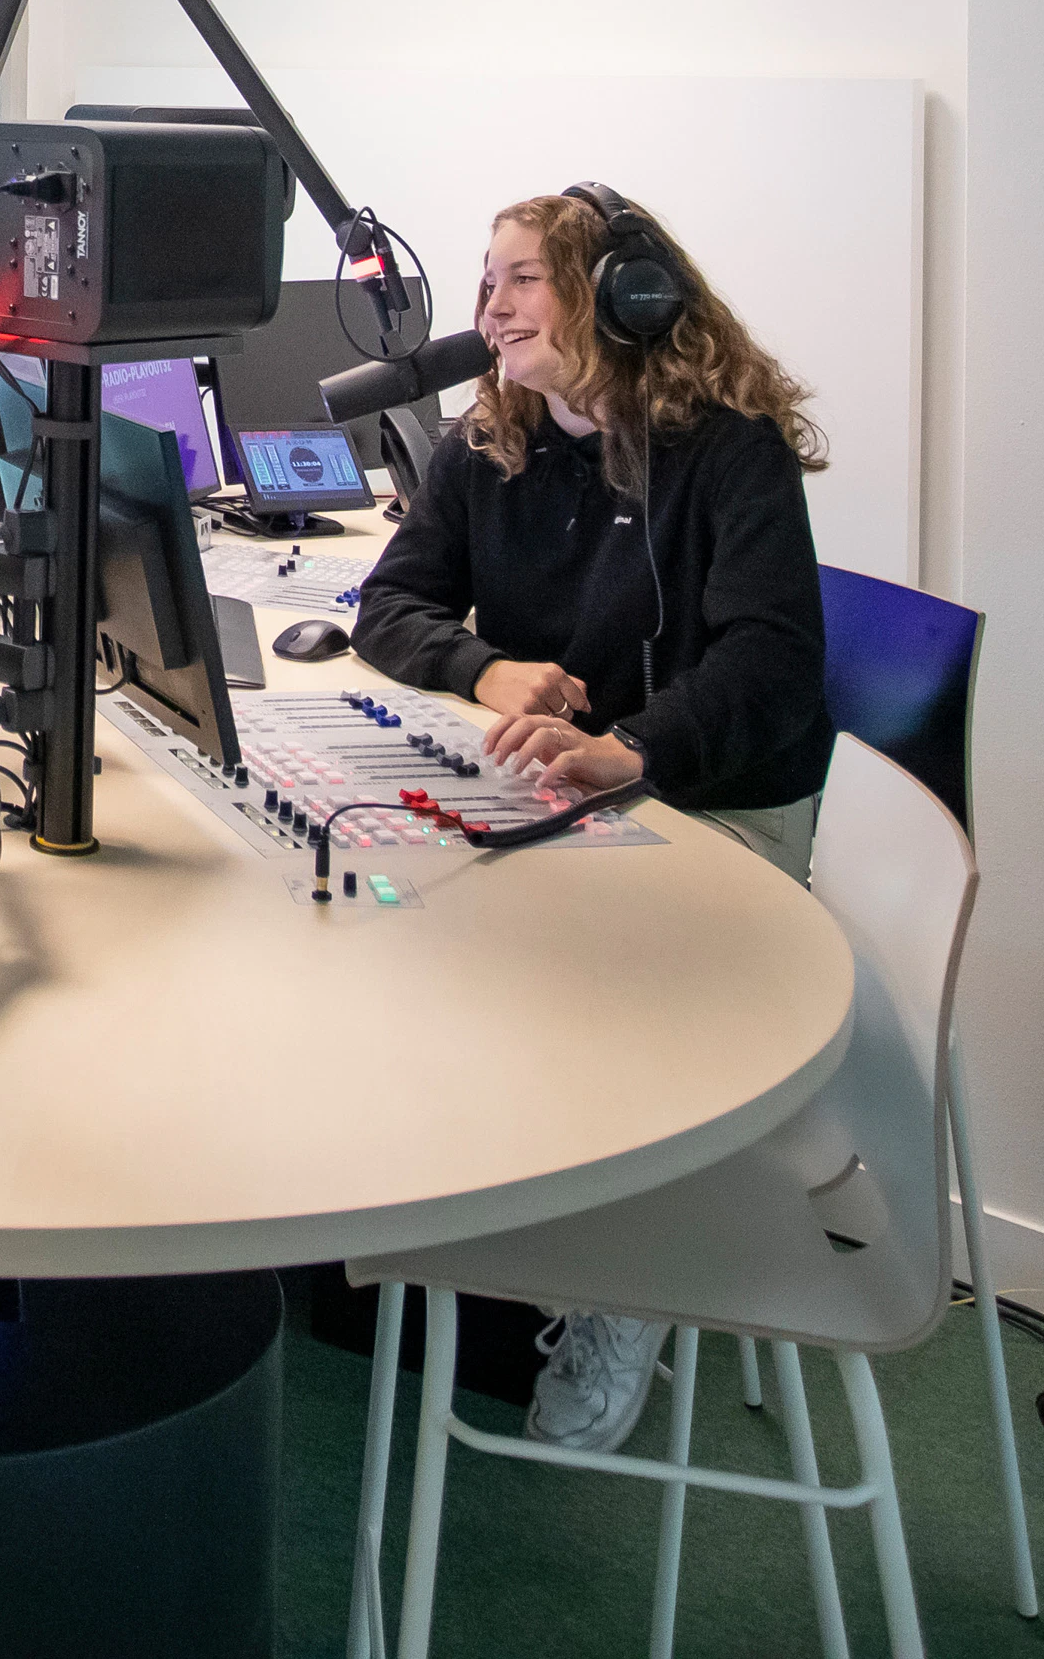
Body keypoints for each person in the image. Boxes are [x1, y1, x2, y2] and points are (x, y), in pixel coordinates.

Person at [345, 182, 833, 1458]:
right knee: (404, 925)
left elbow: (773, 662)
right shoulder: (490, 438)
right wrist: (484, 670)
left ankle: (626, 1284)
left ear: (625, 299)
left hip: (713, 802)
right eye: (487, 278)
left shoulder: (727, 450)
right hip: (563, 788)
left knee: (585, 979)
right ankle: (475, 1213)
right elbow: (388, 605)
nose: (491, 306)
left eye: (523, 278)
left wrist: (635, 748)